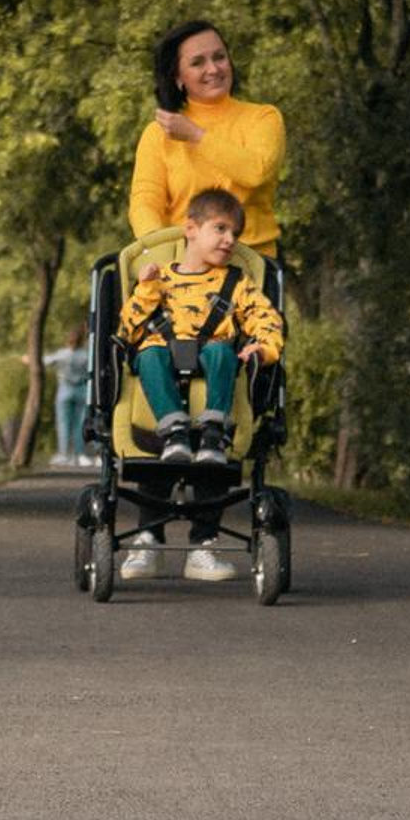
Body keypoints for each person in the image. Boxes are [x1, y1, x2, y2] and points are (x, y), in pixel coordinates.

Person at [115, 187, 285, 580]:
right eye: (220, 229)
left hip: (216, 376)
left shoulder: (237, 283)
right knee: (150, 352)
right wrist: (146, 289)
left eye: (235, 234)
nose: (230, 240)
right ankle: (148, 540)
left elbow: (265, 318)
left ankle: (203, 541)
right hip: (156, 391)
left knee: (222, 350)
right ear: (190, 229)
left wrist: (263, 347)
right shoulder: (159, 280)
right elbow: (127, 330)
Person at [127, 21, 285, 261]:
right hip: (181, 264)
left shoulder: (263, 118)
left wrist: (196, 136)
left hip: (250, 263)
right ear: (178, 77)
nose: (213, 69)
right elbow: (145, 202)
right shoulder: (158, 134)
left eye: (219, 57)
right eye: (197, 62)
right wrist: (161, 251)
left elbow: (257, 171)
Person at [43, 337, 94, 466]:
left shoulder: (62, 354)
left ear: (68, 341)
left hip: (65, 389)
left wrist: (27, 359)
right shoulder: (85, 355)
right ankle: (80, 454)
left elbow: (46, 361)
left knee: (63, 423)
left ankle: (64, 454)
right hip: (82, 389)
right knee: (80, 423)